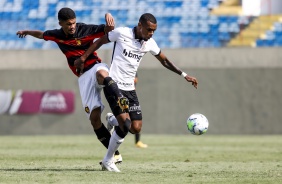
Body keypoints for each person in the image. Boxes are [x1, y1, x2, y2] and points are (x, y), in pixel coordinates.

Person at [74, 13, 198, 172]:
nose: (151, 33)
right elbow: (100, 41)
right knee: (125, 125)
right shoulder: (122, 33)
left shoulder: (149, 43)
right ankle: (108, 160)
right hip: (114, 85)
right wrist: (84, 58)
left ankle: (112, 120)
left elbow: (164, 60)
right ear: (140, 25)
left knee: (136, 128)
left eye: (154, 31)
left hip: (130, 89)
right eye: (149, 30)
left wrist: (184, 75)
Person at [16, 7, 131, 169]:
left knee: (103, 75)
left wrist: (108, 15)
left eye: (74, 23)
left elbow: (108, 30)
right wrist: (27, 31)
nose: (72, 26)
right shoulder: (56, 35)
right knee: (95, 119)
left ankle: (120, 98)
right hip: (83, 76)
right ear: (61, 23)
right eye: (69, 24)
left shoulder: (86, 29)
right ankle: (114, 154)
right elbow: (41, 35)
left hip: (95, 65)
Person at [105, 73, 148, 148]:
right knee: (124, 121)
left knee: (135, 123)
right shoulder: (119, 68)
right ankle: (112, 152)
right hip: (120, 94)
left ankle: (137, 141)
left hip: (131, 95)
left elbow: (134, 84)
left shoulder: (134, 69)